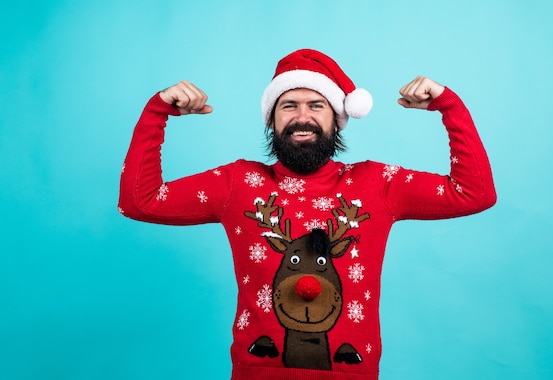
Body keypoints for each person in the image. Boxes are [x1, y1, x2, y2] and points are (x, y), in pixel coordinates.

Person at [119, 48, 496, 379]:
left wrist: (449, 106)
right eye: (289, 105)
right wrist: (158, 112)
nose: (303, 116)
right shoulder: (237, 182)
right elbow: (140, 200)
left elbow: (474, 193)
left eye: (317, 105)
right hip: (257, 373)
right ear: (272, 120)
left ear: (337, 118)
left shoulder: (378, 184)